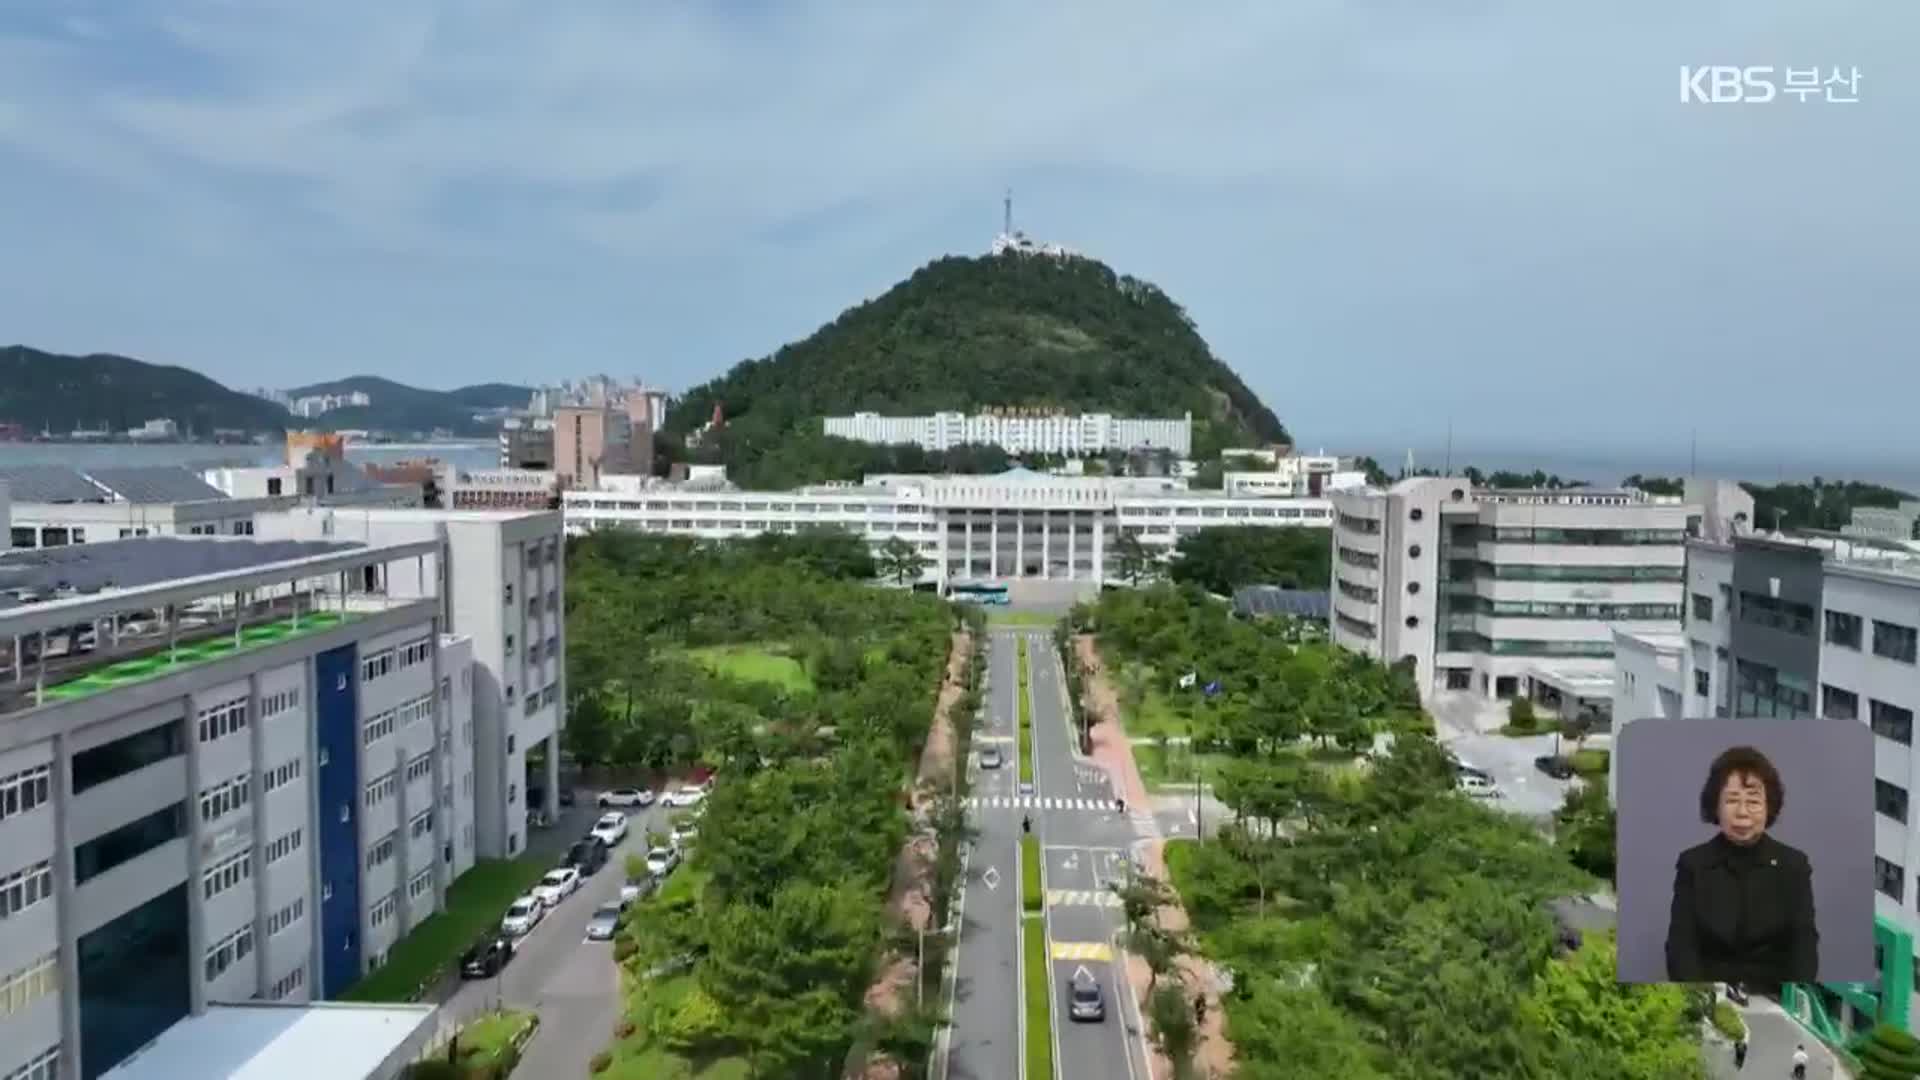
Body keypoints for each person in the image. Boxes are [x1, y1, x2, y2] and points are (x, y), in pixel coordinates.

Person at [1665, 745, 1819, 985]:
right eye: (1732, 800)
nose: (1742, 812)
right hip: (1709, 995)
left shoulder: (1794, 866)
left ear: (1770, 808)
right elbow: (1681, 947)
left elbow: (1804, 948)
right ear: (1716, 806)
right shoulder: (1693, 864)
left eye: (1754, 802)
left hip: (1774, 997)